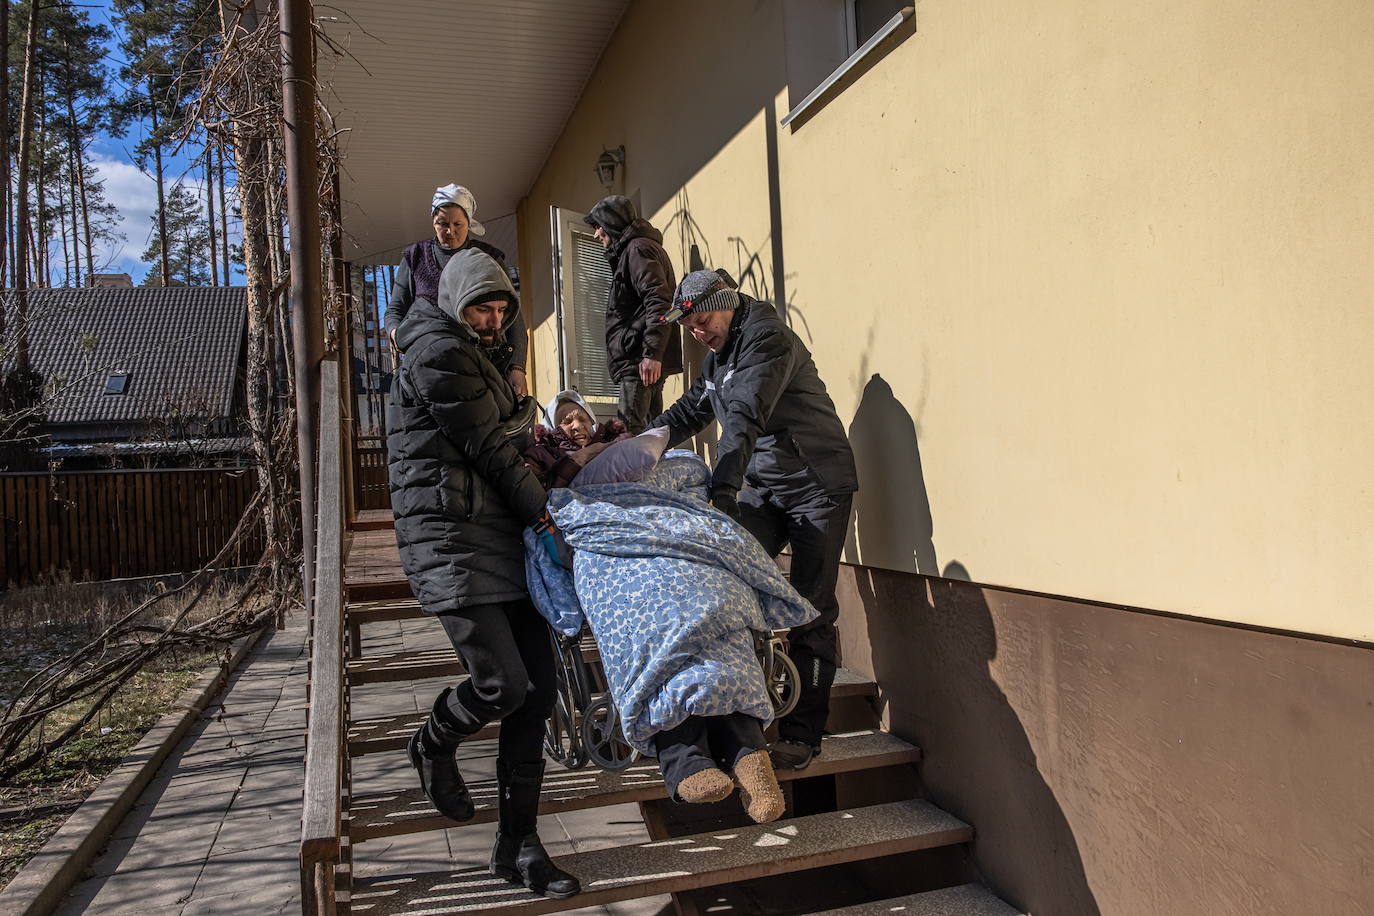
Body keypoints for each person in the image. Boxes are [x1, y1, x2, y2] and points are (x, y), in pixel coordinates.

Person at [387, 247, 579, 899]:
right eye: (481, 307)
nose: (494, 318)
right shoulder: (435, 349)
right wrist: (545, 518)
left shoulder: (480, 354)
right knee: (501, 684)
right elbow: (494, 447)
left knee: (539, 690)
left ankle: (518, 845)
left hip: (495, 531)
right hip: (445, 534)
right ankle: (432, 743)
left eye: (501, 308)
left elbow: (511, 433)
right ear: (454, 304)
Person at [648, 269, 859, 771]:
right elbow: (688, 412)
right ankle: (742, 720)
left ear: (727, 303)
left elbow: (743, 415)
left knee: (811, 608)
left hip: (816, 486)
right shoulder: (719, 357)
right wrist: (632, 446)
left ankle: (805, 735)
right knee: (726, 583)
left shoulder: (767, 339)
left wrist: (723, 489)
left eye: (702, 321)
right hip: (766, 487)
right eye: (691, 328)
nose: (697, 333)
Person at [385, 183, 529, 396]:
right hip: (431, 366)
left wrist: (517, 367)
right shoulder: (415, 258)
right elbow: (395, 310)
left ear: (468, 223)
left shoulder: (489, 259)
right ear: (433, 222)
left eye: (458, 224)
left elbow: (513, 317)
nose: (450, 231)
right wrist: (396, 333)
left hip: (485, 366)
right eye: (442, 223)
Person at [584, 195, 682, 433]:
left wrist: (652, 353)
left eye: (598, 226)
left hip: (640, 359)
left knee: (628, 434)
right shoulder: (633, 251)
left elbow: (659, 300)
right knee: (649, 433)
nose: (596, 234)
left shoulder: (637, 249)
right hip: (641, 357)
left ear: (612, 222)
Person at [521, 390, 629, 489]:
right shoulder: (538, 453)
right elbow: (534, 495)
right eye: (567, 421)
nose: (577, 426)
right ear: (553, 428)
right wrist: (579, 457)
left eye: (582, 419)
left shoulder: (609, 442)